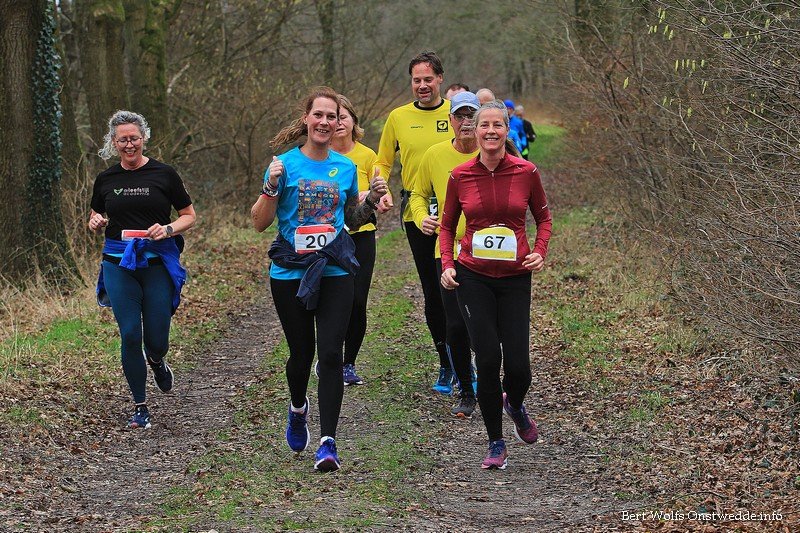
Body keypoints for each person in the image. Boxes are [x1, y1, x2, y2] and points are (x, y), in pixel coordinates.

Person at [251, 86, 387, 472]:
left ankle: (328, 443)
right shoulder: (283, 165)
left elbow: (353, 221)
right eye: (320, 115)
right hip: (290, 272)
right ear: (306, 119)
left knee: (330, 354)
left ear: (341, 123)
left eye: (333, 116)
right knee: (301, 354)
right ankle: (298, 408)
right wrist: (270, 186)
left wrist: (371, 201)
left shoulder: (346, 168)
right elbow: (259, 223)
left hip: (335, 270)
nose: (326, 122)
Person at [439, 100, 552, 470]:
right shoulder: (460, 176)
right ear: (474, 130)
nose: (490, 131)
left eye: (497, 125)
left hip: (515, 277)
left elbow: (544, 218)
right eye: (483, 125)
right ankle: (495, 442)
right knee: (488, 359)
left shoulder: (526, 172)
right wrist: (447, 264)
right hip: (473, 277)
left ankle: (514, 404)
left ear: (506, 129)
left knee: (519, 368)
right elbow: (446, 226)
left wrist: (539, 251)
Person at [89, 110, 197, 430]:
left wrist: (168, 229)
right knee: (130, 334)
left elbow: (189, 215)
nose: (129, 145)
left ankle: (157, 360)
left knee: (157, 338)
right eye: (122, 140)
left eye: (134, 138)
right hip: (118, 264)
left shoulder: (164, 174)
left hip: (156, 264)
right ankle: (140, 406)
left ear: (144, 138)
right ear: (114, 142)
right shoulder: (106, 179)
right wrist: (96, 221)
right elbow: (95, 214)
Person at [376, 51, 456, 394]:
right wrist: (380, 188)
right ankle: (446, 362)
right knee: (433, 289)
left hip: (460, 212)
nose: (422, 86)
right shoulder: (398, 117)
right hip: (418, 214)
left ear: (440, 79)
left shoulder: (456, 112)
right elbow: (382, 162)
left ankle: (466, 357)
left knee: (460, 286)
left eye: (428, 79)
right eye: (416, 80)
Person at [410, 91, 481, 418]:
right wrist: (421, 217)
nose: (466, 122)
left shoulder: (492, 150)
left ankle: (487, 377)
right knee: (454, 323)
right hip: (448, 249)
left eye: (472, 116)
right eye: (460, 116)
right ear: (450, 120)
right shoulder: (435, 154)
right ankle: (466, 390)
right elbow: (418, 194)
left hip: (488, 250)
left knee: (484, 322)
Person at [330, 94, 391, 386]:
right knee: (331, 301)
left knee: (357, 300)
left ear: (354, 121)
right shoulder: (318, 155)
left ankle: (348, 363)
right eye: (335, 117)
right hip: (328, 239)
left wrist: (378, 198)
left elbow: (379, 193)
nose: (339, 123)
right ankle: (329, 355)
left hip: (361, 237)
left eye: (344, 117)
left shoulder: (367, 156)